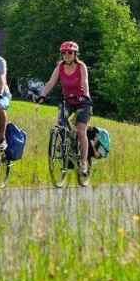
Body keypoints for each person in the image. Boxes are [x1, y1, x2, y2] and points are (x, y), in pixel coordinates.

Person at [36, 41, 95, 179]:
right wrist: (42, 95)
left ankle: (83, 162)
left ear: (75, 54)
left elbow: (84, 82)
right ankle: (64, 144)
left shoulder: (81, 66)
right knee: (60, 122)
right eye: (64, 53)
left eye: (70, 52)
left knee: (81, 131)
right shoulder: (60, 67)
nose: (67, 55)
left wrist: (86, 95)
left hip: (82, 102)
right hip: (67, 101)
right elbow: (51, 82)